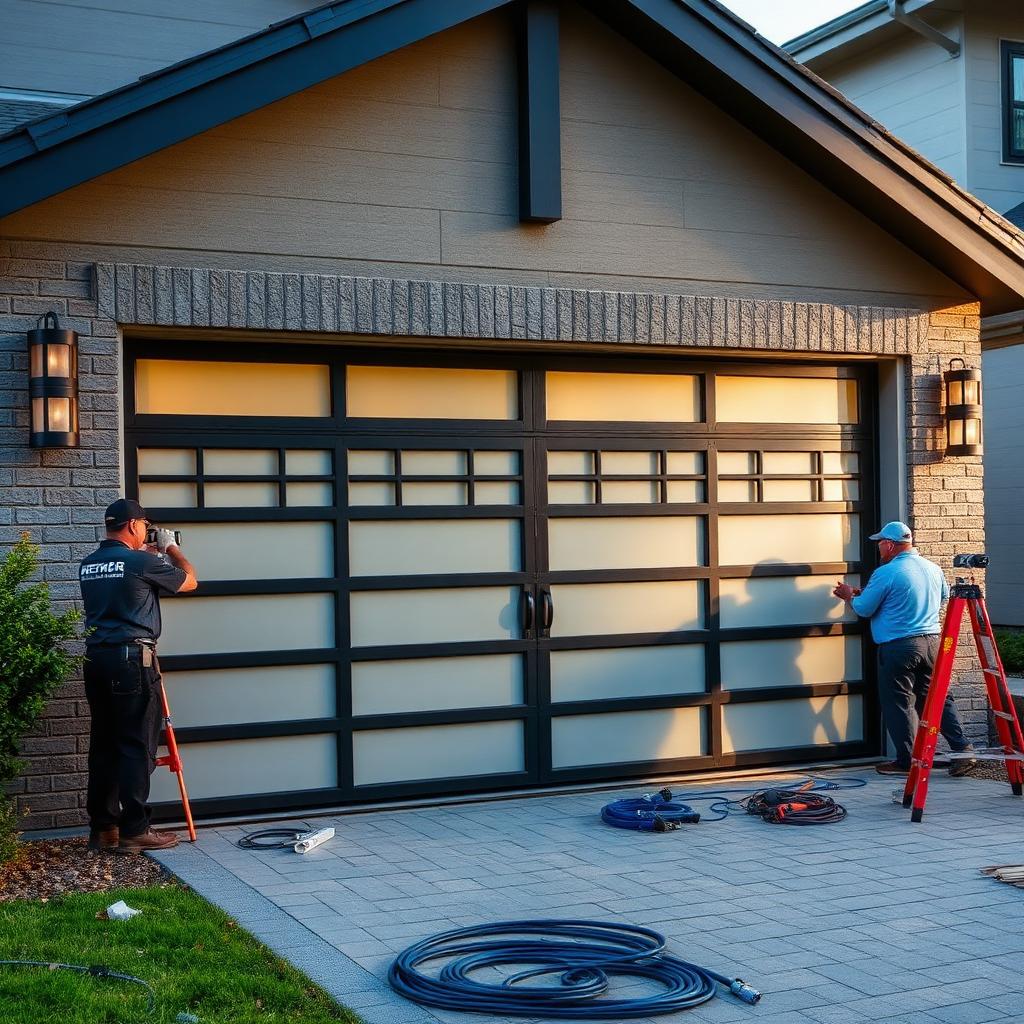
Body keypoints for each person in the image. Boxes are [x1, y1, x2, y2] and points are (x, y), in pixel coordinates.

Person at [78, 498, 197, 853]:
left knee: (104, 745)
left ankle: (103, 829)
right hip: (132, 661)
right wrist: (171, 548)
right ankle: (135, 829)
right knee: (134, 746)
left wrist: (146, 552)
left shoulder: (89, 564)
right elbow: (190, 581)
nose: (146, 529)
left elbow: (123, 577)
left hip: (96, 659)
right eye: (144, 524)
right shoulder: (142, 561)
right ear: (133, 525)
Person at [833, 521, 976, 777]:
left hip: (900, 647)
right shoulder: (932, 568)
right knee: (936, 699)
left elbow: (864, 609)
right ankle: (963, 750)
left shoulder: (886, 572)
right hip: (932, 643)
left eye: (880, 543)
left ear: (889, 544)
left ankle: (907, 761)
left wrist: (848, 595)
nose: (878, 547)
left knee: (899, 703)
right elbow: (943, 598)